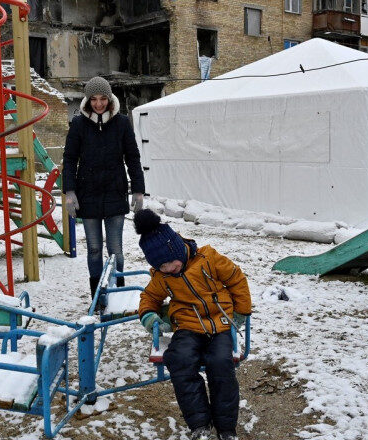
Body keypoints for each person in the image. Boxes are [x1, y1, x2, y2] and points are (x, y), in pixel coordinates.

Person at [134, 209, 252, 440]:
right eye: (161, 266)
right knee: (179, 360)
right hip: (187, 325)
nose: (168, 269)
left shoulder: (208, 259)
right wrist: (149, 316)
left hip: (219, 322)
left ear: (177, 249)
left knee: (220, 363)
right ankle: (199, 424)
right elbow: (149, 297)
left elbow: (236, 279)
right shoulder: (163, 276)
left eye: (170, 262)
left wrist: (241, 312)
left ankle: (226, 428)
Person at [63, 76, 145, 300]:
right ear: (88, 100)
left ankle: (118, 294)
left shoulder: (121, 123)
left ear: (110, 99)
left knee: (115, 249)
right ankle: (98, 297)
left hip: (115, 192)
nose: (98, 104)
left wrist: (138, 189)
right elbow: (69, 158)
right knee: (94, 249)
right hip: (87, 194)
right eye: (94, 99)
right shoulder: (79, 124)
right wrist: (69, 192)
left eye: (103, 99)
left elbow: (133, 157)